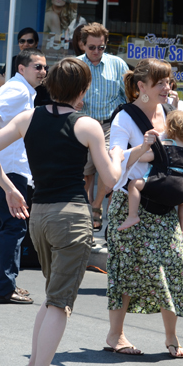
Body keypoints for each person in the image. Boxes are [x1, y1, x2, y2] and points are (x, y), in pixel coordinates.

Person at [0, 58, 124, 366]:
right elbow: (111, 179)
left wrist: (9, 188)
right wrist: (118, 154)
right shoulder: (86, 125)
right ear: (83, 89)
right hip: (71, 216)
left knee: (51, 297)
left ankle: (34, 365)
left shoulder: (28, 118)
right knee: (60, 303)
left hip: (39, 214)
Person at [105, 58, 183, 358]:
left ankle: (171, 337)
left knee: (173, 267)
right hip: (133, 203)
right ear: (141, 87)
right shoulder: (124, 118)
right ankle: (115, 335)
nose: (166, 88)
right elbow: (115, 160)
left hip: (165, 204)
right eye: (160, 83)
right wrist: (142, 148)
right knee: (126, 271)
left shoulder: (175, 111)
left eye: (169, 81)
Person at [0, 48, 48, 304]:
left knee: (6, 225)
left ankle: (4, 283)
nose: (43, 72)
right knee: (13, 226)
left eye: (44, 67)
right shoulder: (18, 90)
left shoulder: (19, 88)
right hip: (7, 168)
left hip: (5, 167)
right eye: (37, 67)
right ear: (22, 69)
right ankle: (5, 288)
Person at [76, 23, 129, 231]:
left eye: (101, 47)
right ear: (82, 45)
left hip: (109, 124)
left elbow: (127, 95)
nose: (96, 52)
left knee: (108, 169)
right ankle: (83, 210)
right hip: (83, 124)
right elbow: (62, 96)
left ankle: (96, 207)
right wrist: (74, 103)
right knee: (84, 173)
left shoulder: (117, 64)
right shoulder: (75, 65)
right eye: (92, 47)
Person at [118, 110, 183, 240]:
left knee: (133, 185)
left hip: (162, 183)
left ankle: (132, 215)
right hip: (180, 187)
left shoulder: (164, 146)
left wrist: (134, 152)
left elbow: (143, 158)